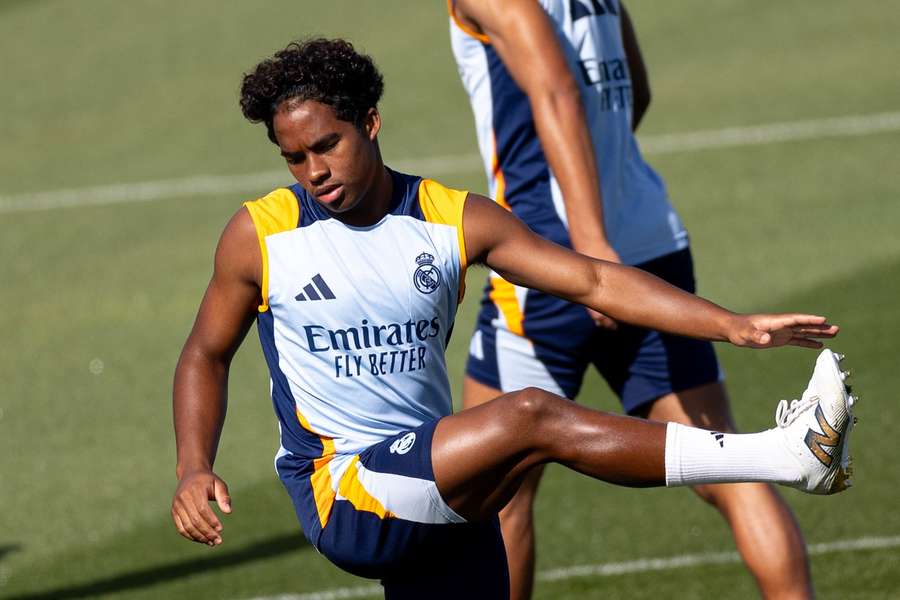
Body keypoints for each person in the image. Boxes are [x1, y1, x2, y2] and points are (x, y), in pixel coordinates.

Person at [170, 39, 854, 599]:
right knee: (533, 417)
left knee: (529, 437)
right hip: (344, 491)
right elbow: (205, 353)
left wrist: (730, 324)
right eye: (294, 157)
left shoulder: (451, 217)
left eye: (327, 144)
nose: (313, 171)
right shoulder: (259, 235)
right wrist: (194, 466)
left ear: (370, 122)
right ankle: (785, 454)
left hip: (440, 487)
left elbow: (591, 279)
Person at [447, 1, 817, 597]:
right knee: (727, 463)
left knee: (496, 494)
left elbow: (558, 90)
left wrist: (591, 240)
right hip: (649, 237)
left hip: (551, 259)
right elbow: (634, 91)